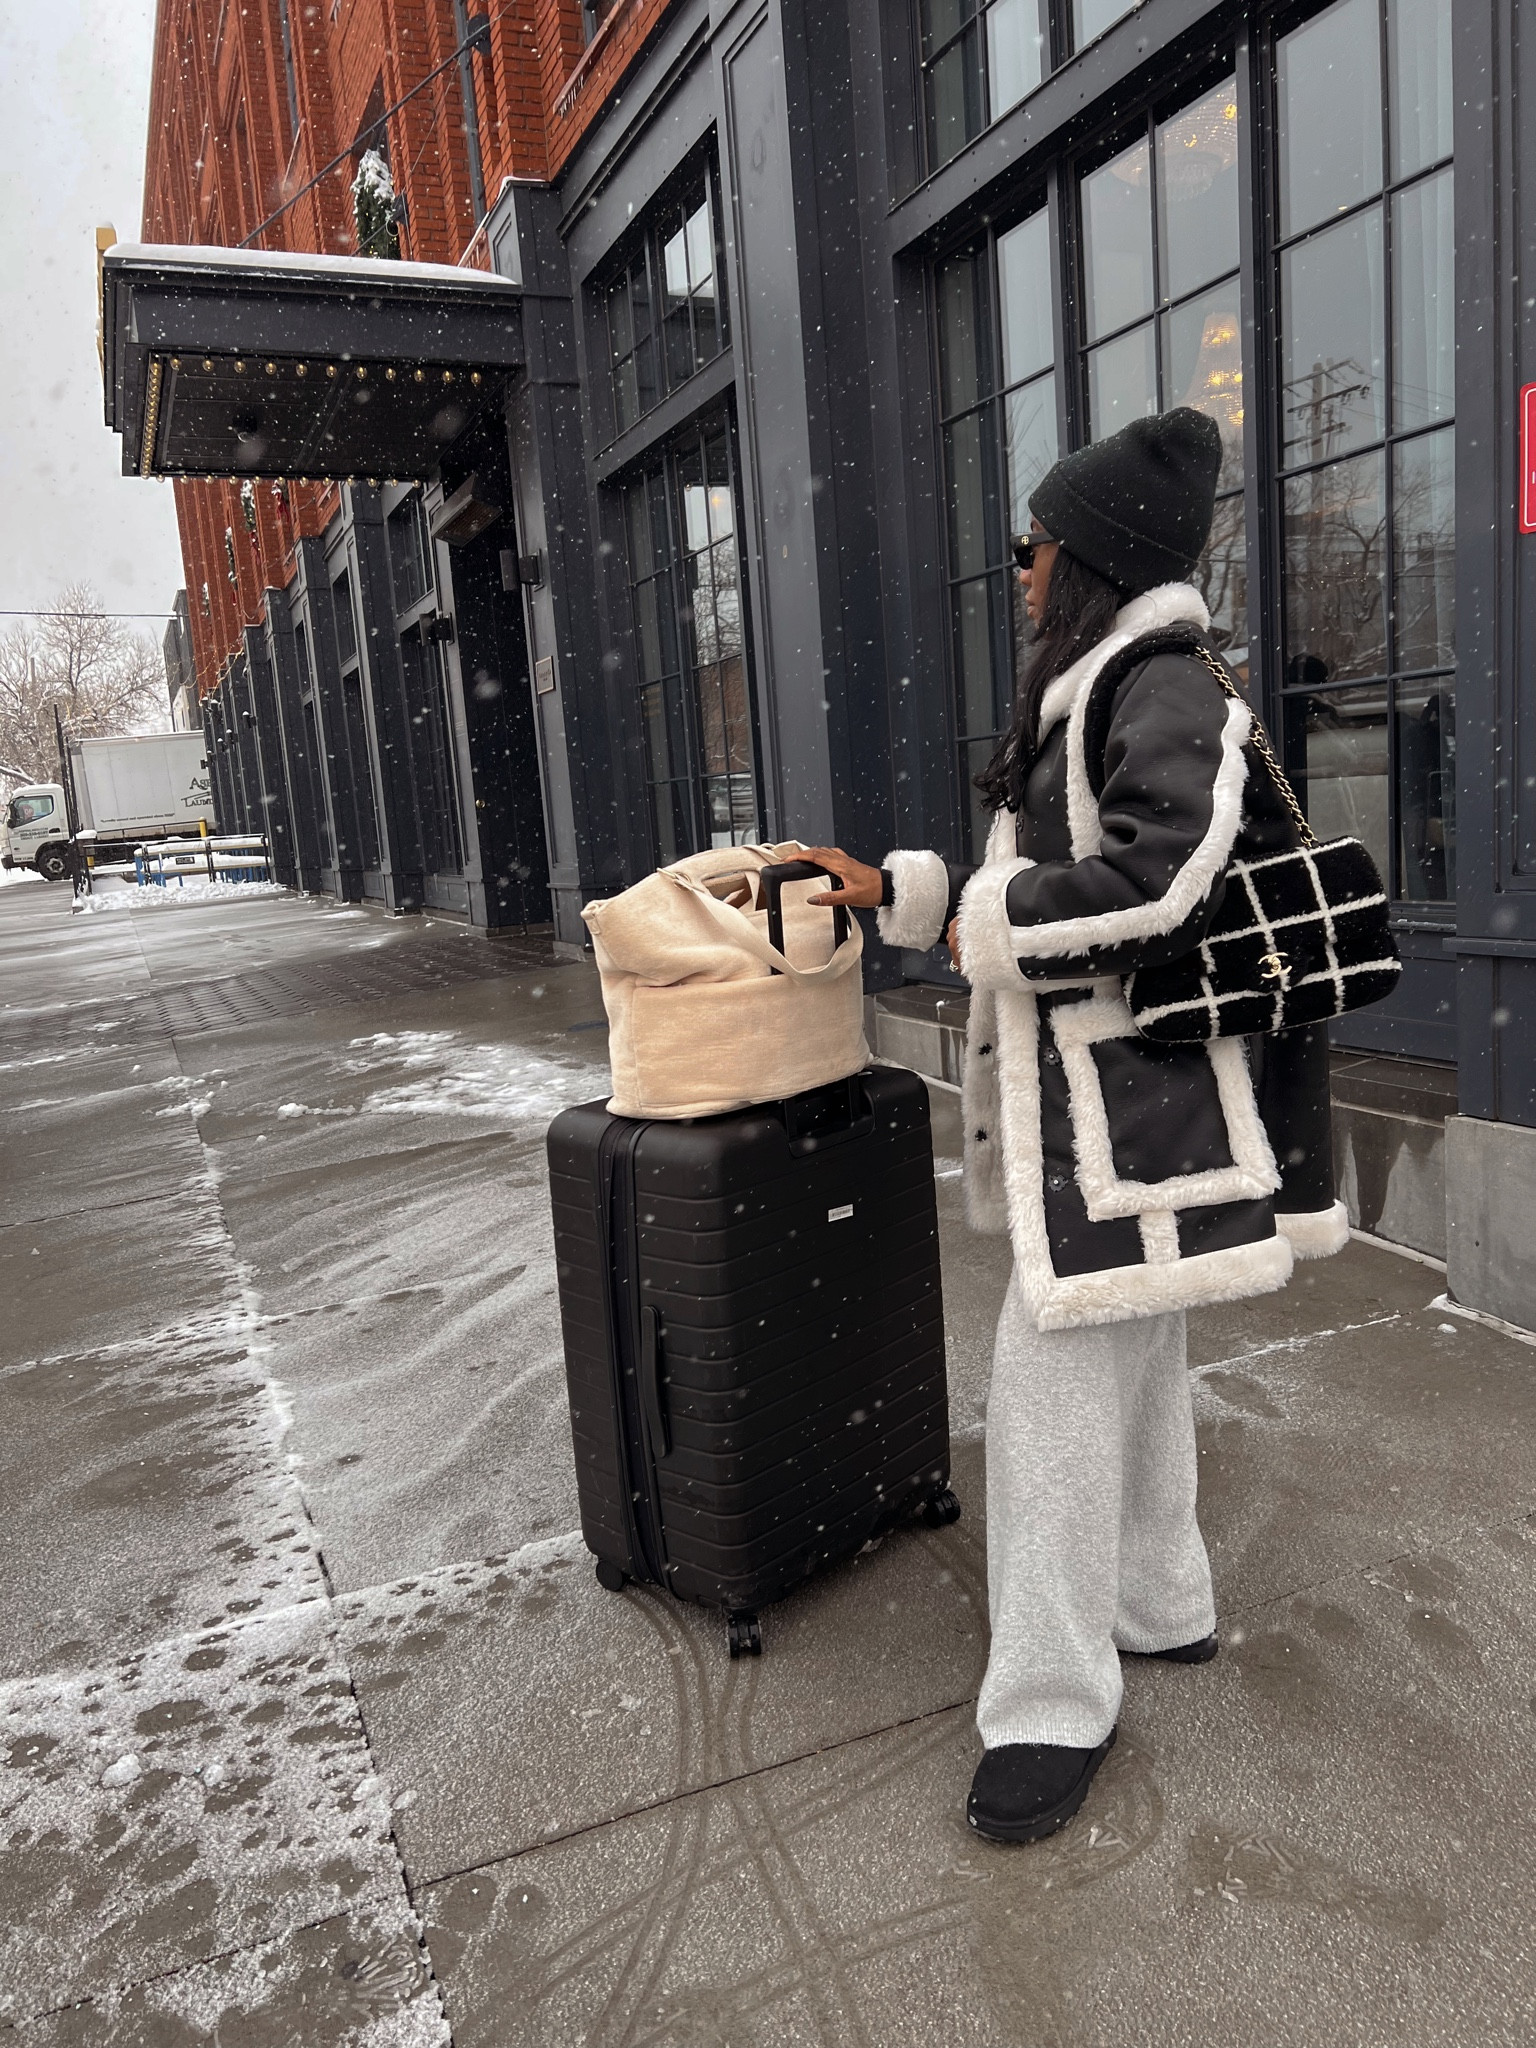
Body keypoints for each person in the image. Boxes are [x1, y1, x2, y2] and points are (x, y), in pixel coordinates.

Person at [804, 407, 1344, 1847]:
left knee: (1045, 1408)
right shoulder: (1106, 686)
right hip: (1137, 1124)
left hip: (1128, 1129)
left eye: (1035, 543)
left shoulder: (1155, 687)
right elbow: (1064, 876)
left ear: (1092, 556)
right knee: (1139, 1371)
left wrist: (973, 919)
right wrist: (903, 894)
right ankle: (1163, 1603)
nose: (1022, 567)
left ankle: (1050, 1701)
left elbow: (1156, 884)